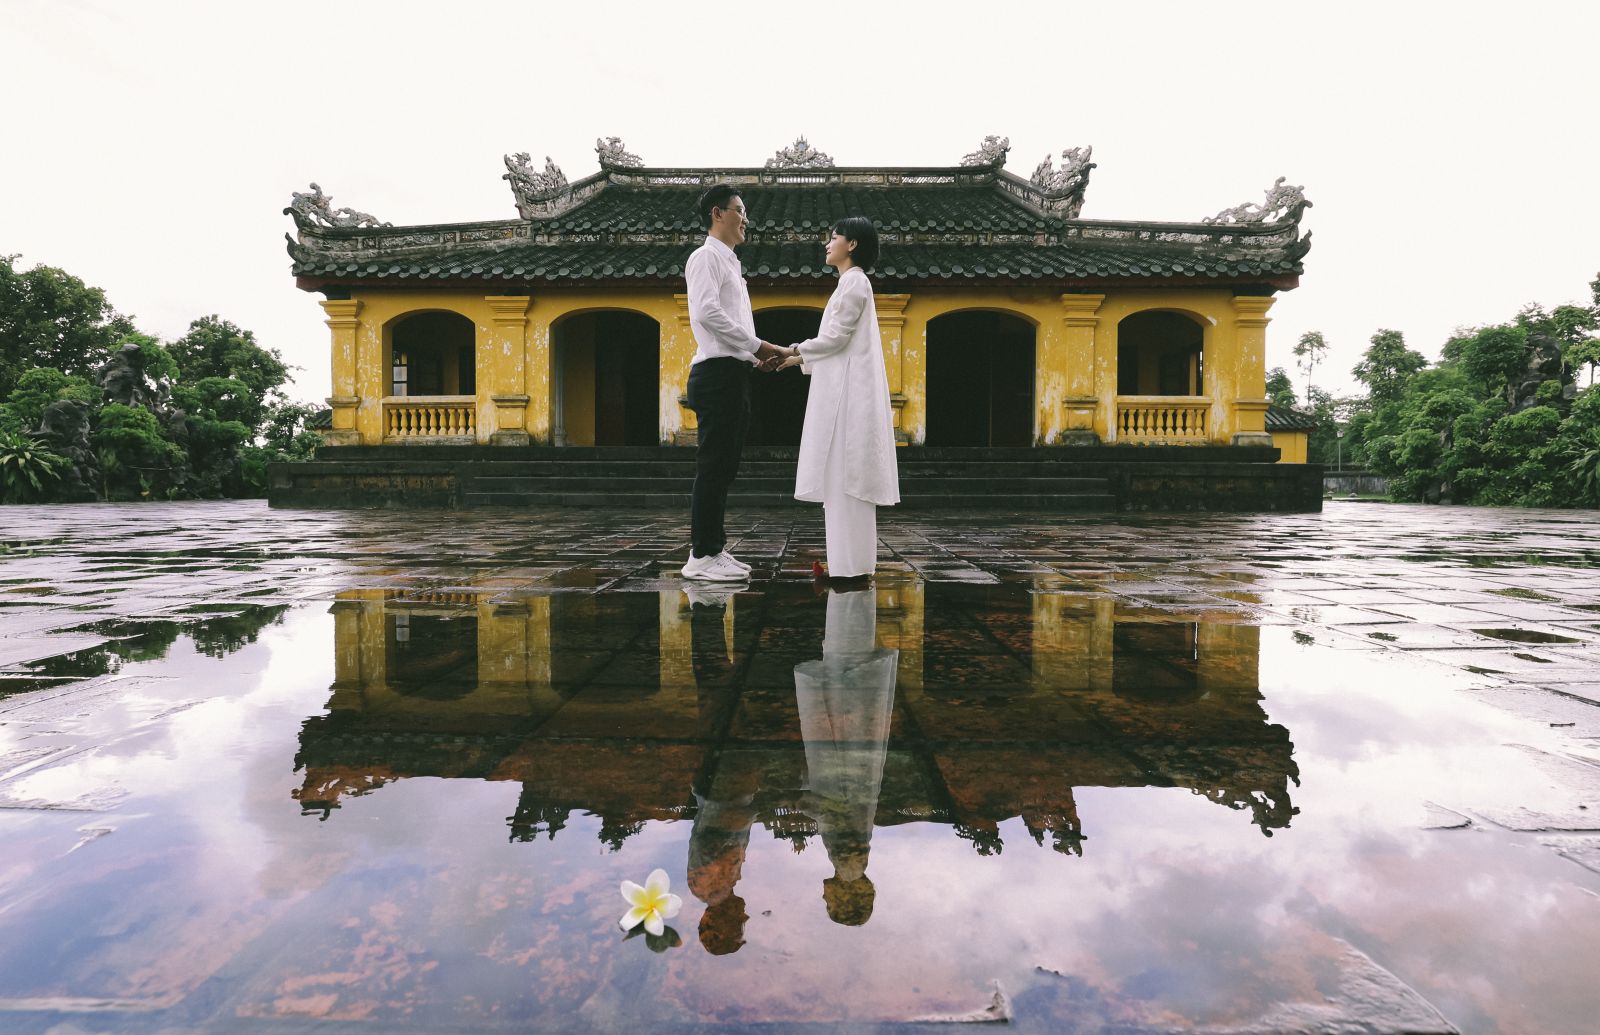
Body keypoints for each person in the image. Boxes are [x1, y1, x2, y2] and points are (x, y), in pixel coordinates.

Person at [773, 217, 899, 580]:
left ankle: (850, 567)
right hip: (846, 389)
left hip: (848, 397)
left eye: (834, 237)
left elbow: (835, 337)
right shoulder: (851, 283)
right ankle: (850, 564)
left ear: (853, 244)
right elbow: (837, 342)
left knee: (846, 478)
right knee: (844, 480)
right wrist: (797, 358)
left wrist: (793, 348)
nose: (827, 244)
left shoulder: (854, 283)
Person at [682, 184, 787, 582]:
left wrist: (751, 356)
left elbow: (733, 323)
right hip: (716, 375)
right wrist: (759, 346)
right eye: (739, 210)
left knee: (724, 467)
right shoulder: (705, 257)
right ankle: (702, 555)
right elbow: (708, 314)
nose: (746, 219)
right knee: (713, 466)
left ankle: (713, 549)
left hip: (732, 371)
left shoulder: (730, 264)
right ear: (717, 213)